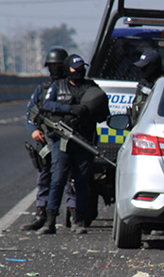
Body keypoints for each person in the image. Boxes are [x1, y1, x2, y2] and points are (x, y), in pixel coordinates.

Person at [38, 54, 110, 235]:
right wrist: (70, 109)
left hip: (84, 140)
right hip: (62, 140)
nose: (78, 72)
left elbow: (103, 113)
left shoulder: (92, 88)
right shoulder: (57, 86)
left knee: (82, 181)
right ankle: (50, 220)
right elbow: (48, 105)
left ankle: (79, 221)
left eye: (81, 69)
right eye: (74, 69)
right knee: (57, 180)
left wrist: (88, 112)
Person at [21, 47, 78, 231]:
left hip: (67, 141)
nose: (55, 69)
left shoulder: (71, 87)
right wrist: (34, 130)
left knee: (70, 179)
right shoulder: (43, 89)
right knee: (44, 177)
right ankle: (42, 213)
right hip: (47, 140)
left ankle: (73, 214)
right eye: (52, 66)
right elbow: (31, 112)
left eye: (58, 65)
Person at [128, 49, 164, 123]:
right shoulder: (142, 85)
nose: (142, 70)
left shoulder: (163, 85)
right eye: (141, 67)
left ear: (154, 66)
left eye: (145, 67)